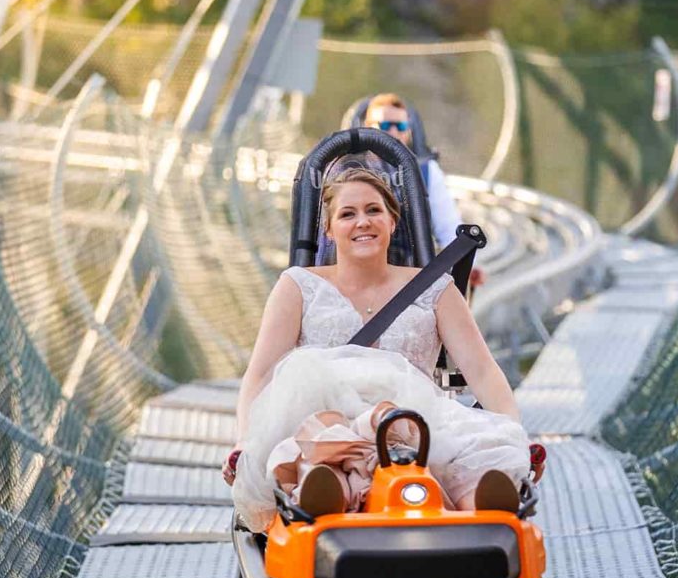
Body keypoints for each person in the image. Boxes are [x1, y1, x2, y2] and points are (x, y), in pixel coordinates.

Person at [222, 167, 537, 533]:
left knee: (477, 453)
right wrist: (245, 439)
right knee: (319, 449)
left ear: (392, 220)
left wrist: (515, 431)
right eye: (347, 214)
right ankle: (323, 499)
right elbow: (260, 373)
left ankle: (484, 512)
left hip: (415, 424)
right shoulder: (297, 287)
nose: (363, 222)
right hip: (325, 419)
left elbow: (482, 371)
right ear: (329, 229)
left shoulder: (436, 289)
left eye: (373, 210)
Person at [362, 92, 485, 288]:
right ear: (368, 126)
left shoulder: (427, 172)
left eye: (400, 126)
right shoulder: (348, 170)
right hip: (357, 275)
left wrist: (469, 267)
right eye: (385, 125)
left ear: (408, 131)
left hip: (409, 282)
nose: (393, 131)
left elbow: (448, 229)